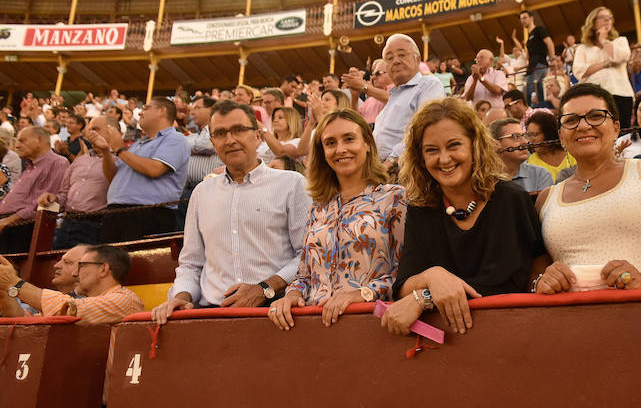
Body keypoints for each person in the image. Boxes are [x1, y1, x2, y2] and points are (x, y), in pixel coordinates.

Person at [381, 97, 544, 336]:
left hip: (509, 336)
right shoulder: (422, 208)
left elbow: (503, 285)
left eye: (454, 145)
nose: (444, 159)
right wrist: (432, 276)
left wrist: (425, 297)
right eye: (432, 150)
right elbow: (404, 285)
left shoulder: (510, 200)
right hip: (445, 349)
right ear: (421, 158)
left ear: (474, 145)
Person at [151, 100, 312, 323]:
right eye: (220, 133)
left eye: (238, 130)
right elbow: (191, 264)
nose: (230, 140)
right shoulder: (201, 193)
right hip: (211, 316)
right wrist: (182, 296)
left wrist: (263, 288)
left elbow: (307, 255)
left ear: (257, 136)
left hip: (275, 313)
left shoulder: (291, 184)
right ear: (213, 142)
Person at [533, 83, 641, 293]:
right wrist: (542, 282)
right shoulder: (546, 198)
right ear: (562, 137)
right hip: (569, 319)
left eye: (595, 116)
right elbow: (535, 274)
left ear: (616, 128)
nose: (583, 126)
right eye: (571, 120)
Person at [268, 109, 405, 329]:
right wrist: (292, 294)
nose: (340, 149)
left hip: (371, 325)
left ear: (368, 144)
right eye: (330, 143)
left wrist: (362, 294)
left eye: (349, 139)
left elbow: (406, 275)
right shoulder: (318, 208)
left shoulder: (394, 198)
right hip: (316, 329)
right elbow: (304, 275)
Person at [91, 97, 190, 243]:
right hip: (116, 212)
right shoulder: (137, 144)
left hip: (148, 214)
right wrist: (107, 151)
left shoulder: (176, 139)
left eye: (146, 108)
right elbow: (113, 178)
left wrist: (119, 149)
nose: (139, 113)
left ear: (162, 111)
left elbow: (155, 169)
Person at [0, 245, 143, 324]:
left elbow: (68, 309)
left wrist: (14, 282)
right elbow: (26, 321)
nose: (75, 273)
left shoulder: (124, 300)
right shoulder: (89, 301)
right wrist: (4, 290)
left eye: (81, 266)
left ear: (103, 269)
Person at [37, 115, 120, 249]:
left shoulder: (120, 161)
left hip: (95, 226)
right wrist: (54, 199)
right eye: (90, 129)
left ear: (113, 131)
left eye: (96, 129)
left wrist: (106, 151)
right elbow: (64, 194)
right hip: (67, 223)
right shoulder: (80, 160)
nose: (91, 133)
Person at [373, 34, 445, 165]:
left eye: (402, 55)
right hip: (380, 168)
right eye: (389, 58)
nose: (395, 61)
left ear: (417, 60)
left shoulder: (428, 85)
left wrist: (390, 161)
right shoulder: (394, 97)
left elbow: (424, 128)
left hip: (404, 168)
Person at [0, 127, 69, 253]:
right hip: (7, 225)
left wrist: (8, 220)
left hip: (22, 228)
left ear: (39, 140)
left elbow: (43, 203)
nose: (17, 145)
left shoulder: (57, 163)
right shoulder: (31, 166)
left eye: (22, 141)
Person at [573, 6, 634, 128]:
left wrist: (603, 40)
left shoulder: (620, 41)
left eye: (609, 18)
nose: (607, 20)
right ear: (593, 22)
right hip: (595, 96)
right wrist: (606, 64)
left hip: (621, 93)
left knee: (623, 132)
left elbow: (619, 57)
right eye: (602, 17)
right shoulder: (582, 48)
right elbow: (580, 71)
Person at [489, 118, 553, 193]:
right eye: (516, 136)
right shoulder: (484, 177)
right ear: (495, 144)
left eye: (524, 136)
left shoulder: (540, 175)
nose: (525, 142)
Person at [525, 111, 576, 183]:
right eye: (529, 135)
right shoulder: (532, 161)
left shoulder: (571, 153)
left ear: (548, 134)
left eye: (535, 135)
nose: (531, 140)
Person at [520, 10, 555, 106]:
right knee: (540, 94)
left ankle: (527, 112)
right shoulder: (529, 38)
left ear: (531, 18)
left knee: (527, 91)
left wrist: (552, 60)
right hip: (533, 66)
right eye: (521, 19)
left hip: (539, 64)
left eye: (525, 17)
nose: (523, 20)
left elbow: (549, 42)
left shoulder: (539, 29)